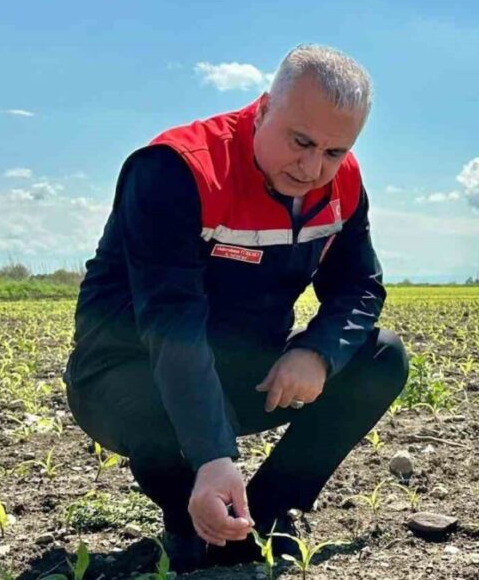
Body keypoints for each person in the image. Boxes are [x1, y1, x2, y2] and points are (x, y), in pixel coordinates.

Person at [64, 44, 408, 573]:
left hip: (241, 369)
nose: (314, 166)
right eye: (301, 141)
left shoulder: (341, 184)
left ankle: (266, 512)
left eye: (335, 151)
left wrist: (318, 353)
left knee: (380, 358)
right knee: (160, 407)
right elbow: (170, 323)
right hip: (130, 373)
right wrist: (211, 455)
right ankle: (188, 518)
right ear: (265, 108)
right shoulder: (178, 170)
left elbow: (360, 285)